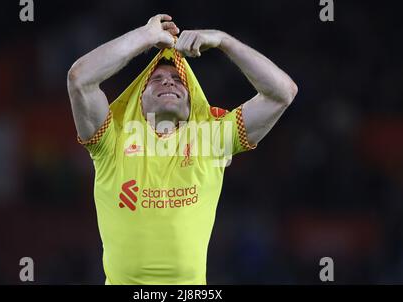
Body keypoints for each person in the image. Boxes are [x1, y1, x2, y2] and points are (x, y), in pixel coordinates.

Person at [67, 14, 298, 285]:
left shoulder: (211, 139)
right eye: (157, 79)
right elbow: (79, 79)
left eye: (178, 79)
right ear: (138, 99)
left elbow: (283, 92)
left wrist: (223, 41)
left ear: (192, 103)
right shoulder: (111, 139)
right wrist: (146, 36)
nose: (168, 82)